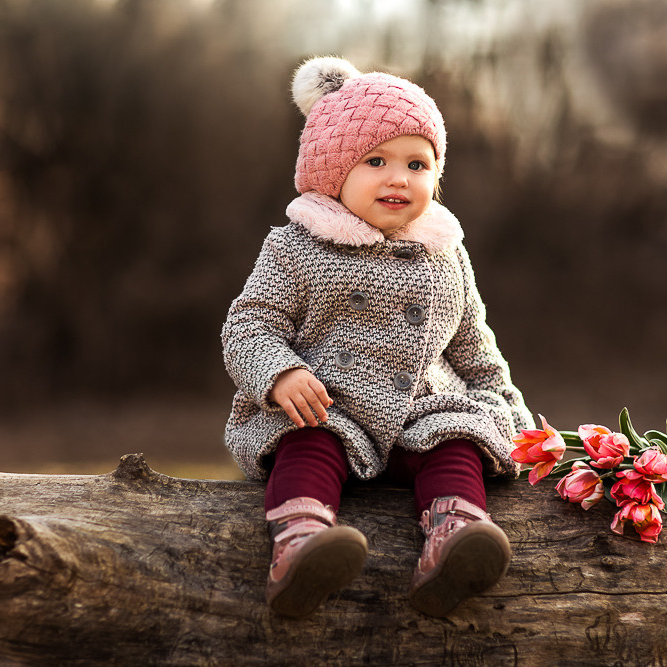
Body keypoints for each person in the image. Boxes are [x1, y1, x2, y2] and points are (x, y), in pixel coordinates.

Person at [221, 56, 534, 618]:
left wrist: (512, 414)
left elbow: (475, 346)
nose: (399, 178)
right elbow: (249, 323)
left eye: (418, 163)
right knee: (308, 440)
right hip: (330, 403)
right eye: (376, 160)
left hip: (423, 410)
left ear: (436, 175)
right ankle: (302, 540)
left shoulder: (446, 253)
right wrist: (279, 373)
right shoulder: (298, 246)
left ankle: (455, 536)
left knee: (457, 439)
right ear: (331, 168)